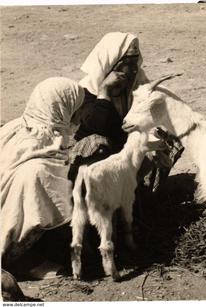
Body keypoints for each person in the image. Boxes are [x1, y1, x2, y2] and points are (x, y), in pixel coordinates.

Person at [69, 32, 183, 193]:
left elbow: (153, 113)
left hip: (126, 150)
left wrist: (152, 135)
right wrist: (104, 92)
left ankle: (144, 193)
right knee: (97, 143)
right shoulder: (85, 93)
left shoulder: (136, 84)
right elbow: (98, 127)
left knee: (168, 134)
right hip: (100, 157)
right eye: (125, 63)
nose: (132, 70)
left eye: (135, 62)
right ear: (109, 63)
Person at [0, 77, 85, 268]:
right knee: (45, 180)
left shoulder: (16, 128)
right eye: (75, 111)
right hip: (9, 241)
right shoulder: (41, 163)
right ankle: (24, 260)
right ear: (61, 109)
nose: (79, 118)